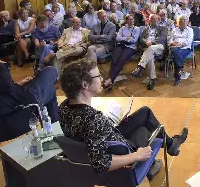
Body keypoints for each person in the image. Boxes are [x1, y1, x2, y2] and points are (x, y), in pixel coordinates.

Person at [58, 59, 188, 174]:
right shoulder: (93, 119)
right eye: (98, 75)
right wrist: (137, 156)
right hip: (122, 149)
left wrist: (107, 124)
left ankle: (170, 146)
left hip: (107, 140)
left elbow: (90, 132)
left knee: (145, 112)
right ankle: (156, 160)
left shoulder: (64, 107)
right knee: (144, 130)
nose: (101, 78)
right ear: (85, 85)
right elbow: (101, 164)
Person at [103, 15, 141, 90]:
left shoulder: (137, 29)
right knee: (114, 59)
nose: (131, 21)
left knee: (121, 60)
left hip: (131, 47)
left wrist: (123, 38)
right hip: (121, 45)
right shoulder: (123, 28)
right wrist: (127, 38)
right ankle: (110, 80)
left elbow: (134, 40)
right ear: (126, 20)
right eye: (129, 19)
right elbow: (117, 38)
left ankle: (110, 80)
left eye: (132, 19)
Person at [132, 14, 169, 90]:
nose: (156, 20)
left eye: (157, 19)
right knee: (150, 57)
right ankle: (152, 79)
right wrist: (145, 42)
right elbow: (141, 39)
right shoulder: (145, 29)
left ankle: (140, 67)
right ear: (150, 20)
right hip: (147, 48)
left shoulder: (163, 28)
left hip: (159, 47)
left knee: (150, 48)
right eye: (154, 19)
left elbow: (162, 38)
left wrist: (151, 42)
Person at [169, 15, 194, 85]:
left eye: (186, 20)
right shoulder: (174, 30)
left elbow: (189, 40)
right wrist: (174, 43)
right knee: (175, 50)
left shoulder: (190, 30)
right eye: (183, 19)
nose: (185, 21)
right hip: (175, 47)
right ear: (179, 22)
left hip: (186, 48)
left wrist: (181, 44)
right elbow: (170, 40)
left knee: (175, 54)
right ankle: (179, 68)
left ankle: (177, 75)